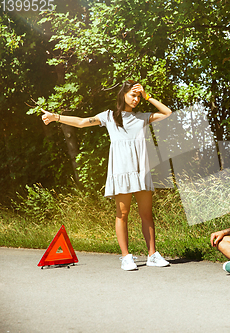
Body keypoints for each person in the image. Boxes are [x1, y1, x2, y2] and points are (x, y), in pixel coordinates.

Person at [41, 80, 172, 271]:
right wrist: (56, 117)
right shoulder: (109, 117)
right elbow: (81, 122)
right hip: (121, 172)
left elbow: (167, 113)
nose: (136, 99)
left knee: (146, 215)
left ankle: (152, 254)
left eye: (138, 96)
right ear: (123, 95)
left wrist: (147, 96)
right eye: (132, 95)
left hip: (140, 172)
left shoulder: (142, 117)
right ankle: (126, 257)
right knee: (123, 214)